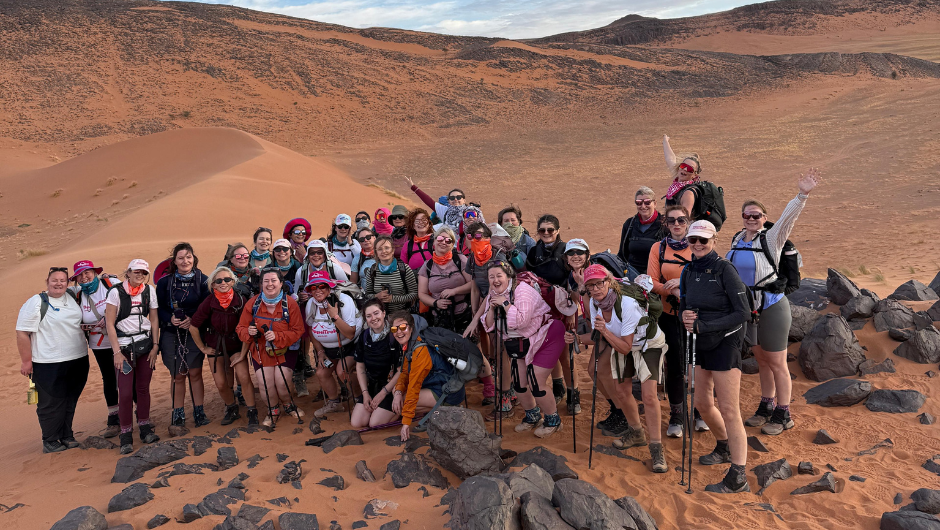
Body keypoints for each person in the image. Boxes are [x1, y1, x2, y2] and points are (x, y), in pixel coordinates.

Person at [728, 169, 820, 435]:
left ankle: (783, 413)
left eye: (756, 215)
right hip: (748, 307)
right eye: (747, 215)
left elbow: (787, 220)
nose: (751, 219)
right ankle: (766, 406)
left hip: (771, 306)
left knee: (777, 361)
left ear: (764, 219)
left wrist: (802, 195)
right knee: (762, 359)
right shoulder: (736, 239)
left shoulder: (771, 238)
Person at [680, 220, 751, 493]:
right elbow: (685, 307)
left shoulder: (725, 269)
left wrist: (705, 326)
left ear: (713, 240)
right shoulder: (688, 271)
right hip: (698, 342)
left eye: (703, 240)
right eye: (693, 240)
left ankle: (738, 477)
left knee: (730, 409)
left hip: (725, 342)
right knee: (701, 402)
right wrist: (684, 315)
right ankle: (723, 446)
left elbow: (743, 312)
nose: (697, 245)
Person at [576, 265, 668, 472]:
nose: (597, 288)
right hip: (622, 343)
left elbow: (623, 346)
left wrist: (604, 333)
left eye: (600, 283)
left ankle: (656, 449)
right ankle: (636, 433)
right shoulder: (595, 305)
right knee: (622, 391)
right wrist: (575, 338)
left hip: (647, 344)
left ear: (609, 282)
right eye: (591, 285)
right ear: (587, 289)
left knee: (649, 396)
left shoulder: (626, 304)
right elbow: (598, 336)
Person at [481, 261, 565, 438]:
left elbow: (521, 321)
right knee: (519, 383)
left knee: (536, 382)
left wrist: (505, 304)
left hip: (545, 336)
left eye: (499, 275)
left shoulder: (522, 291)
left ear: (509, 276)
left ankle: (553, 420)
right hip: (519, 342)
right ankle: (532, 416)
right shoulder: (493, 295)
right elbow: (488, 326)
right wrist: (491, 308)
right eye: (491, 276)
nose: (495, 280)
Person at [16, 267, 90, 453]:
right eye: (54, 280)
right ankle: (49, 440)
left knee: (69, 400)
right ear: (47, 281)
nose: (58, 283)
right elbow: (22, 333)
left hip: (77, 359)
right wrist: (26, 362)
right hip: (47, 362)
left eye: (62, 280)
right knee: (50, 403)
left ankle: (66, 435)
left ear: (68, 282)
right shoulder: (36, 302)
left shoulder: (73, 297)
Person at [104, 260, 161, 454]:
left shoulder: (149, 291)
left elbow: (153, 318)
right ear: (128, 272)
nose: (140, 275)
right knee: (126, 392)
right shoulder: (115, 292)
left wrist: (155, 345)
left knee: (143, 388)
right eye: (136, 271)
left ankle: (145, 428)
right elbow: (109, 323)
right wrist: (116, 352)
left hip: (145, 346)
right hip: (124, 348)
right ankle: (126, 434)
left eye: (144, 272)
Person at [647, 205, 695, 438]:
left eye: (682, 220)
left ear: (689, 221)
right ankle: (677, 413)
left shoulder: (699, 243)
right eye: (672, 220)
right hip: (669, 315)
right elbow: (651, 282)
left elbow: (708, 277)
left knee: (698, 364)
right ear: (665, 223)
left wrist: (683, 288)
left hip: (697, 315)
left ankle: (700, 410)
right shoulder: (659, 248)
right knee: (675, 364)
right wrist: (673, 292)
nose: (677, 224)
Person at [236, 269, 306, 427]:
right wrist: (248, 331)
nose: (270, 284)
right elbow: (240, 328)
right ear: (261, 284)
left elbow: (298, 331)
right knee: (266, 383)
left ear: (281, 283)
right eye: (266, 281)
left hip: (285, 350)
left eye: (273, 280)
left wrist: (278, 337)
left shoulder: (290, 304)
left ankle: (288, 404)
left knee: (282, 382)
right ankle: (273, 410)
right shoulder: (252, 304)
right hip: (261, 351)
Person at [190, 266, 259, 426]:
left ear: (233, 281)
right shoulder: (209, 302)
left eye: (227, 279)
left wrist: (242, 354)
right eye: (218, 280)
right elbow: (194, 326)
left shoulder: (240, 300)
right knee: (221, 383)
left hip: (237, 345)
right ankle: (231, 407)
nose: (223, 283)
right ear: (212, 285)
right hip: (216, 346)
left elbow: (247, 328)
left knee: (243, 376)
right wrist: (203, 348)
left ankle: (252, 411)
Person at [156, 243, 211, 428]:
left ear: (193, 258)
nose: (185, 261)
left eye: (188, 257)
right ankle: (177, 414)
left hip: (194, 332)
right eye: (181, 258)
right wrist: (170, 318)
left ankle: (199, 411)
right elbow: (159, 309)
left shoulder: (203, 280)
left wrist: (193, 319)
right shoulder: (165, 282)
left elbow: (206, 306)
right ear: (174, 261)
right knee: (178, 374)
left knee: (195, 372)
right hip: (171, 333)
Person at [391, 311, 466, 442]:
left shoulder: (420, 349)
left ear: (411, 327)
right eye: (394, 329)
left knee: (404, 401)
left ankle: (446, 411)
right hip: (445, 386)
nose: (399, 332)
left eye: (403, 327)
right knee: (399, 394)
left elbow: (414, 386)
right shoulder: (412, 343)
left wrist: (406, 423)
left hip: (448, 391)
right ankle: (437, 412)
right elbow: (404, 373)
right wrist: (397, 391)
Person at [69, 260, 121, 437]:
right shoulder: (77, 294)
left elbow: (129, 301)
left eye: (87, 272)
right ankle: (114, 419)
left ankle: (139, 413)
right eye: (80, 275)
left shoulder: (110, 284)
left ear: (95, 272)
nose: (84, 277)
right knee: (108, 378)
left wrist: (110, 317)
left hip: (122, 340)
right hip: (98, 344)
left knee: (128, 374)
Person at [306, 271, 363, 418]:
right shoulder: (311, 304)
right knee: (321, 372)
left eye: (322, 286)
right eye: (313, 288)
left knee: (342, 371)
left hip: (350, 345)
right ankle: (334, 403)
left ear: (329, 287)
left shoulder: (344, 301)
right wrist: (320, 352)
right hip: (328, 348)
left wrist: (335, 316)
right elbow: (311, 329)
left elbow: (350, 333)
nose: (318, 290)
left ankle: (359, 399)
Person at [351, 299, 402, 428]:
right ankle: (380, 408)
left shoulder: (395, 335)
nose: (373, 318)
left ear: (384, 313)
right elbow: (360, 365)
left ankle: (400, 410)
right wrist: (365, 393)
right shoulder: (364, 336)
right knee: (357, 423)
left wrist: (383, 393)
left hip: (391, 386)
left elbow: (401, 370)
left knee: (375, 424)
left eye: (376, 313)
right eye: (369, 316)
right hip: (373, 384)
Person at [417, 226, 473, 332]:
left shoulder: (460, 260)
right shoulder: (427, 266)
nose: (443, 242)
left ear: (452, 245)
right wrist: (435, 303)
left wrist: (454, 291)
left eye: (448, 240)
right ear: (434, 242)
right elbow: (422, 294)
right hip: (439, 317)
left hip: (464, 315)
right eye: (440, 239)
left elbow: (472, 284)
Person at [617, 186, 665, 279]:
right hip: (632, 276)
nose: (643, 206)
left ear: (654, 203)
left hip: (656, 277)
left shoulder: (664, 225)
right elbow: (622, 254)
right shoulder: (629, 224)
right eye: (639, 203)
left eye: (647, 202)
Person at [364, 235, 418, 314]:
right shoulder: (372, 271)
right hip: (380, 316)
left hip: (402, 314)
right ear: (376, 253)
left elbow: (414, 294)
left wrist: (393, 299)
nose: (383, 251)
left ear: (392, 250)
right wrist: (376, 297)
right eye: (380, 249)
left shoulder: (404, 269)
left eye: (387, 248)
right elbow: (367, 295)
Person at [403, 176, 469, 232]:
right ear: (448, 201)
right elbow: (429, 201)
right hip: (449, 245)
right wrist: (413, 187)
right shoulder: (445, 211)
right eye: (452, 197)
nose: (455, 199)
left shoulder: (471, 212)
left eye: (459, 197)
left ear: (464, 200)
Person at [295, 240, 349, 306]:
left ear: (325, 255)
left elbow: (347, 289)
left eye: (319, 253)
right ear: (308, 256)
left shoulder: (335, 269)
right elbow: (296, 294)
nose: (316, 255)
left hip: (335, 307)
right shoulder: (301, 271)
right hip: (310, 307)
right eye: (312, 253)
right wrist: (299, 297)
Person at [663, 134, 702, 215]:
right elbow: (670, 159)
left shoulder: (688, 193)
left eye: (690, 169)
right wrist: (665, 141)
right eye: (683, 166)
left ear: (694, 175)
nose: (685, 169)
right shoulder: (678, 182)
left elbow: (684, 219)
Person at [525, 214, 567, 286]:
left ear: (557, 231)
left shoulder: (566, 250)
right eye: (542, 230)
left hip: (562, 294)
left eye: (550, 230)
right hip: (538, 294)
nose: (546, 233)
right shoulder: (534, 251)